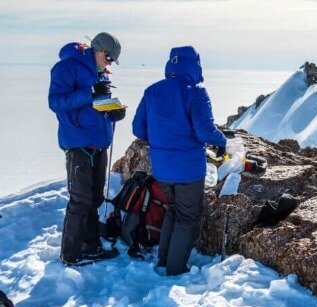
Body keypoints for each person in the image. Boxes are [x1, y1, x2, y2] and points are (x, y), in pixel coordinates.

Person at [132, 46, 227, 276]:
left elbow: (138, 129)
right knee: (187, 218)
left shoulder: (152, 91)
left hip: (162, 169)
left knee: (173, 209)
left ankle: (164, 260)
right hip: (188, 170)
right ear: (195, 65)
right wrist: (222, 140)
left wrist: (161, 141)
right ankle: (175, 269)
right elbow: (205, 132)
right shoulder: (195, 92)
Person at [48, 32, 126, 266]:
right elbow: (56, 102)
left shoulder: (99, 71)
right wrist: (89, 93)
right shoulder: (67, 67)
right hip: (78, 143)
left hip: (98, 142)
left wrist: (114, 111)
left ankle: (90, 247)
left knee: (94, 199)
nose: (109, 63)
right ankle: (69, 255)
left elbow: (97, 104)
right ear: (99, 50)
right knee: (80, 200)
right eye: (109, 58)